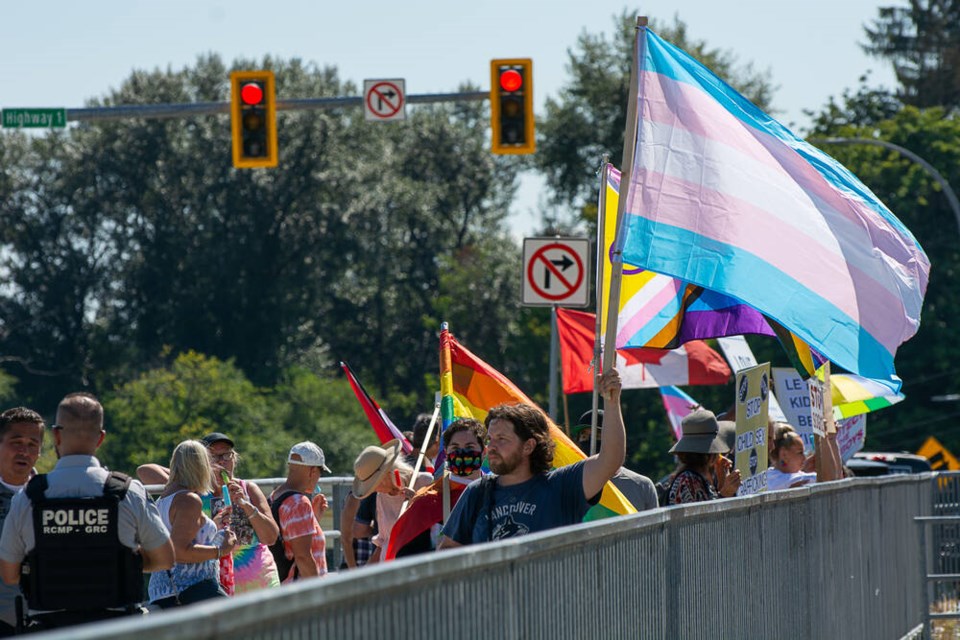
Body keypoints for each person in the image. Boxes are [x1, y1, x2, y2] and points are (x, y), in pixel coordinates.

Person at [0, 393, 174, 630]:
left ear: (56, 435)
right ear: (101, 438)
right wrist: (119, 561)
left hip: (50, 629)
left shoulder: (28, 497)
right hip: (117, 628)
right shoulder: (127, 492)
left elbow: (10, 575)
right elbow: (164, 559)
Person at [438, 370, 625, 548]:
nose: (491, 447)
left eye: (501, 439)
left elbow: (610, 460)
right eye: (490, 439)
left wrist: (612, 401)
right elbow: (448, 548)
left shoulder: (561, 485)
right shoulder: (476, 492)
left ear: (528, 446)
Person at [137, 432, 281, 594]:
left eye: (227, 455)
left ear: (234, 458)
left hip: (261, 584)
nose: (221, 462)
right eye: (213, 457)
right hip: (216, 588)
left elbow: (271, 537)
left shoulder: (248, 489)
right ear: (202, 463)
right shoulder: (194, 492)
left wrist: (245, 505)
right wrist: (193, 474)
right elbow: (145, 471)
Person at [148, 440, 237, 608]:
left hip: (165, 592)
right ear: (201, 465)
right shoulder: (189, 500)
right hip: (191, 591)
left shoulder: (163, 499)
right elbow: (179, 552)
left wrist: (213, 525)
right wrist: (221, 550)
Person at [385, 417, 486, 559]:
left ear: (484, 452)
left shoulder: (497, 493)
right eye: (455, 448)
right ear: (446, 453)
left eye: (469, 447)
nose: (462, 453)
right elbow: (406, 555)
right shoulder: (427, 501)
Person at [0, 408, 44, 636]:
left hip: (45, 620)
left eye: (32, 445)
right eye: (16, 442)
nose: (24, 452)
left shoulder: (51, 496)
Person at [352, 440, 432, 558]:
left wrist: (419, 502)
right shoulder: (381, 497)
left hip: (421, 561)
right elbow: (383, 540)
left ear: (385, 476)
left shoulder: (424, 481)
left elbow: (441, 523)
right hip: (392, 566)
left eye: (373, 485)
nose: (373, 490)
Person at [572, 410, 658, 512]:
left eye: (598, 435)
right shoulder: (569, 485)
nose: (591, 442)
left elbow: (654, 527)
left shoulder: (642, 486)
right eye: (584, 436)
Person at [268, 442, 330, 582]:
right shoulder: (299, 503)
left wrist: (313, 518)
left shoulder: (275, 496)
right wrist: (318, 590)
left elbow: (289, 540)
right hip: (301, 589)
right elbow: (303, 557)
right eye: (320, 473)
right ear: (312, 471)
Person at [663, 409, 741, 505]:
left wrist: (721, 479)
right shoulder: (688, 481)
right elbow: (702, 517)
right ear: (711, 456)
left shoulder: (694, 478)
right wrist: (725, 493)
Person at [766, 425, 818, 491]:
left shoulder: (770, 474)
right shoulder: (774, 479)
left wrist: (805, 469)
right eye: (800, 452)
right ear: (784, 454)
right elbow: (827, 478)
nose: (804, 458)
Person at [339, 491, 377, 569]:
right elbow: (350, 536)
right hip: (359, 560)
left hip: (359, 560)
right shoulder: (357, 496)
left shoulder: (354, 495)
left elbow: (346, 538)